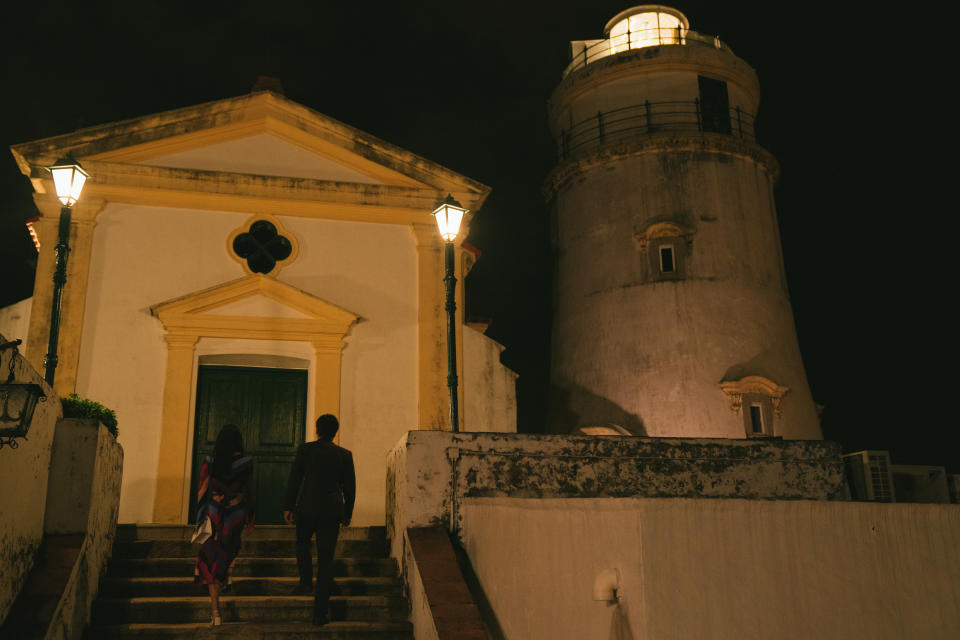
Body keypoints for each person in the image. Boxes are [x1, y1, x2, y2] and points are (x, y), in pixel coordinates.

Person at [283, 414, 356, 626]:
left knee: (302, 544)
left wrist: (288, 506)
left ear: (317, 430)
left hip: (306, 507)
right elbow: (350, 488)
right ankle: (320, 613)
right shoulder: (344, 455)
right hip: (331, 510)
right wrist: (347, 513)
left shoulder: (305, 450)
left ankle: (305, 581)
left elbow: (295, 479)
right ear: (335, 432)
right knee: (326, 560)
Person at [194, 424, 255, 627]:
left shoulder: (210, 462)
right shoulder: (246, 463)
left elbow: (202, 491)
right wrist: (249, 515)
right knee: (230, 551)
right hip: (235, 515)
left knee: (212, 563)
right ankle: (228, 572)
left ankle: (216, 612)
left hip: (214, 515)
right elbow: (250, 490)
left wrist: (201, 514)